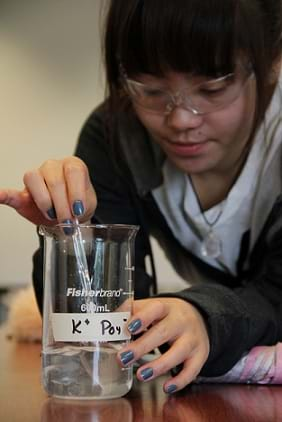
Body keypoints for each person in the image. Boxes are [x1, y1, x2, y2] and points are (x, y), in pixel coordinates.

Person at [1, 0, 282, 393]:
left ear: (273, 61)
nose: (181, 120)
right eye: (150, 90)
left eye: (213, 89)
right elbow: (105, 332)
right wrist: (77, 242)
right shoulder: (117, 136)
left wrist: (206, 315)